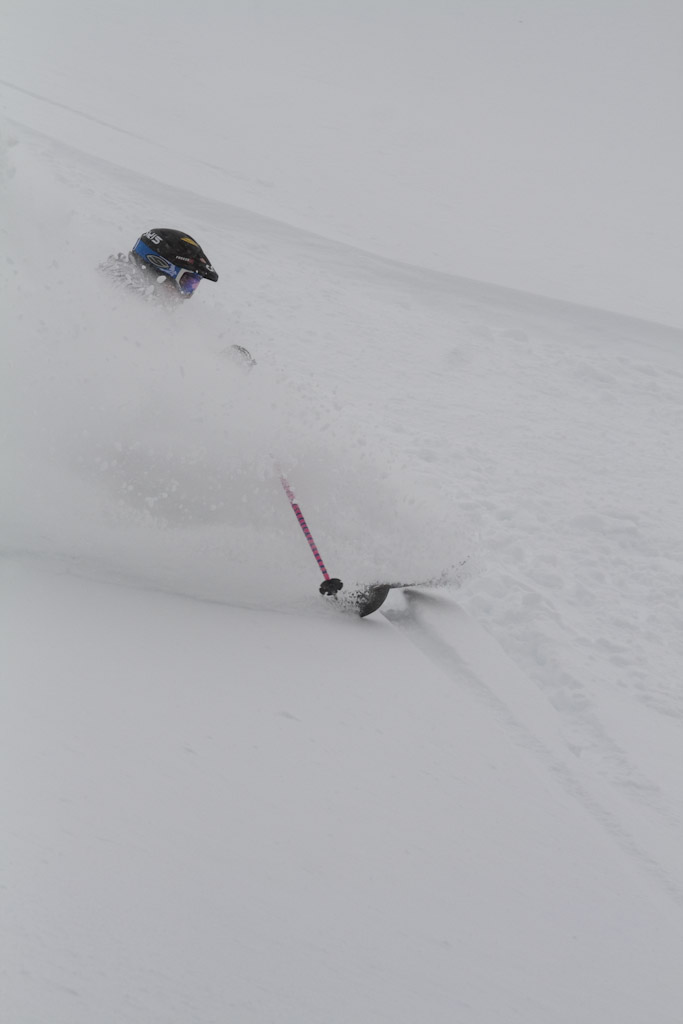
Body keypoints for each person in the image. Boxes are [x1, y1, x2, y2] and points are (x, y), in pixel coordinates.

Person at [129, 228, 219, 299]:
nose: (187, 296)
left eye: (192, 285)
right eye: (186, 283)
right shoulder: (126, 299)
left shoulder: (131, 293)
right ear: (159, 267)